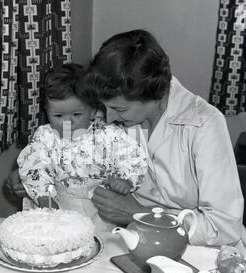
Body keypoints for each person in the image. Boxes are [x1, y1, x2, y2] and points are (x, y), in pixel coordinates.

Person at [75, 29, 246, 250]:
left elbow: (223, 227)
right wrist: (35, 169)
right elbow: (70, 148)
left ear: (153, 95)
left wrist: (140, 214)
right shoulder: (118, 121)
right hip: (135, 241)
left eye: (119, 108)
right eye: (105, 107)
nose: (109, 118)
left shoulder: (204, 124)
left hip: (201, 250)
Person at [15, 63, 149, 231]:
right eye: (58, 115)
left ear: (92, 111)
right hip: (56, 205)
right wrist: (44, 196)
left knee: (98, 245)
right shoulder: (45, 137)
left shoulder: (108, 135)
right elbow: (35, 167)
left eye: (77, 115)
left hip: (99, 210)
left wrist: (127, 179)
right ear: (46, 111)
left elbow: (132, 156)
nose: (67, 122)